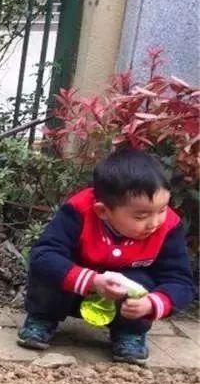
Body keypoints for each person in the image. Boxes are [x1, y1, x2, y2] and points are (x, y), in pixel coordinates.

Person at [19, 148, 195, 365]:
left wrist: (152, 304)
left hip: (126, 300)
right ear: (103, 211)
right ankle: (43, 317)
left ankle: (130, 332)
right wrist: (92, 281)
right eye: (141, 216)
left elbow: (180, 281)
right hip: (74, 290)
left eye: (162, 210)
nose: (154, 223)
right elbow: (43, 255)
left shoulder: (169, 227)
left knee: (141, 282)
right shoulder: (78, 211)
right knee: (50, 268)